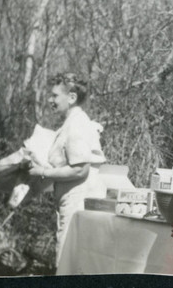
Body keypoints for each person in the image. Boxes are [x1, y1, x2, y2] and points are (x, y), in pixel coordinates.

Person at [28, 72, 106, 267]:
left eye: (55, 95)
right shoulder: (74, 123)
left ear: (71, 98)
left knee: (67, 262)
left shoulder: (76, 125)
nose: (50, 100)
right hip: (74, 204)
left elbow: (80, 170)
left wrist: (42, 172)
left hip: (77, 207)